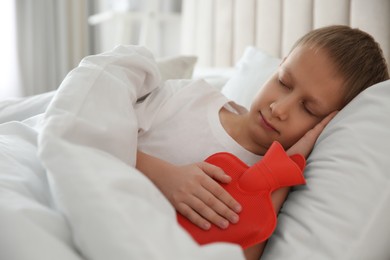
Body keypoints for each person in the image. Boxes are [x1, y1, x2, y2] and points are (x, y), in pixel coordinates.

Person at [135, 25, 389, 260]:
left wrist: (283, 172)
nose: (279, 109)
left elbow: (240, 254)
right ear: (279, 65)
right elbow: (101, 138)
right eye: (283, 82)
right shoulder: (188, 97)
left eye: (308, 109)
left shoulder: (269, 191)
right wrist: (161, 174)